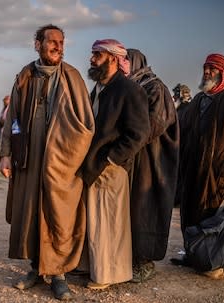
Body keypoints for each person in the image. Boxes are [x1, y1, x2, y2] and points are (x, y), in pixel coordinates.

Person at [0, 24, 95, 300]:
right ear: (37, 44)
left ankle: (58, 274)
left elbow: (86, 125)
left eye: (61, 42)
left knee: (59, 215)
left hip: (63, 162)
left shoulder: (73, 78)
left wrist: (67, 151)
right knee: (30, 213)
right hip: (29, 158)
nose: (57, 46)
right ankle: (36, 268)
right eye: (51, 41)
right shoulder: (25, 77)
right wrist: (7, 152)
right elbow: (14, 119)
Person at [78, 39, 150, 290]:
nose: (92, 58)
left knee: (109, 223)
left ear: (112, 58)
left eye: (96, 54)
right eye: (92, 54)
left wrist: (111, 158)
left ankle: (108, 275)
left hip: (111, 167)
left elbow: (140, 132)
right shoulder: (100, 88)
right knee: (95, 221)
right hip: (93, 165)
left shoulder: (129, 89)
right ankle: (93, 267)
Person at [126, 48, 179, 283]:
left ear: (136, 62)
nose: (121, 65)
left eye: (125, 61)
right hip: (136, 157)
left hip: (153, 160)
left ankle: (145, 262)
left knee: (146, 208)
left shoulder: (155, 87)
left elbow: (153, 124)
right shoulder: (134, 86)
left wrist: (125, 142)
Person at [174, 53, 224, 279]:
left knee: (212, 218)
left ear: (223, 73)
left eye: (212, 69)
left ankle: (214, 262)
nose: (207, 72)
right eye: (206, 68)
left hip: (218, 174)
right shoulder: (197, 100)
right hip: (193, 169)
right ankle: (192, 254)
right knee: (190, 213)